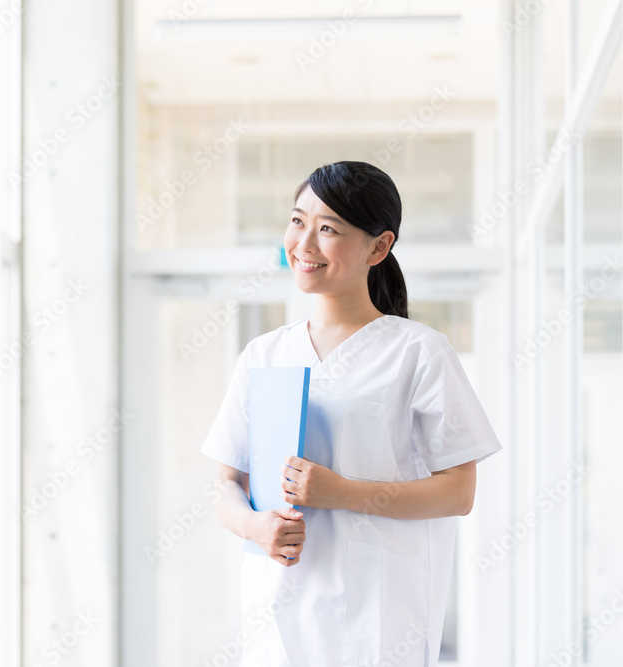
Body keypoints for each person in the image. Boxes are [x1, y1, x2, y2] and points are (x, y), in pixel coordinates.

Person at [200, 161, 502, 667]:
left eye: (328, 229)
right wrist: (255, 528)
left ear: (378, 248)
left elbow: (459, 491)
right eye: (298, 222)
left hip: (380, 619)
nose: (305, 244)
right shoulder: (264, 354)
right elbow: (227, 483)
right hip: (278, 614)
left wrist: (344, 493)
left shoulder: (418, 352)